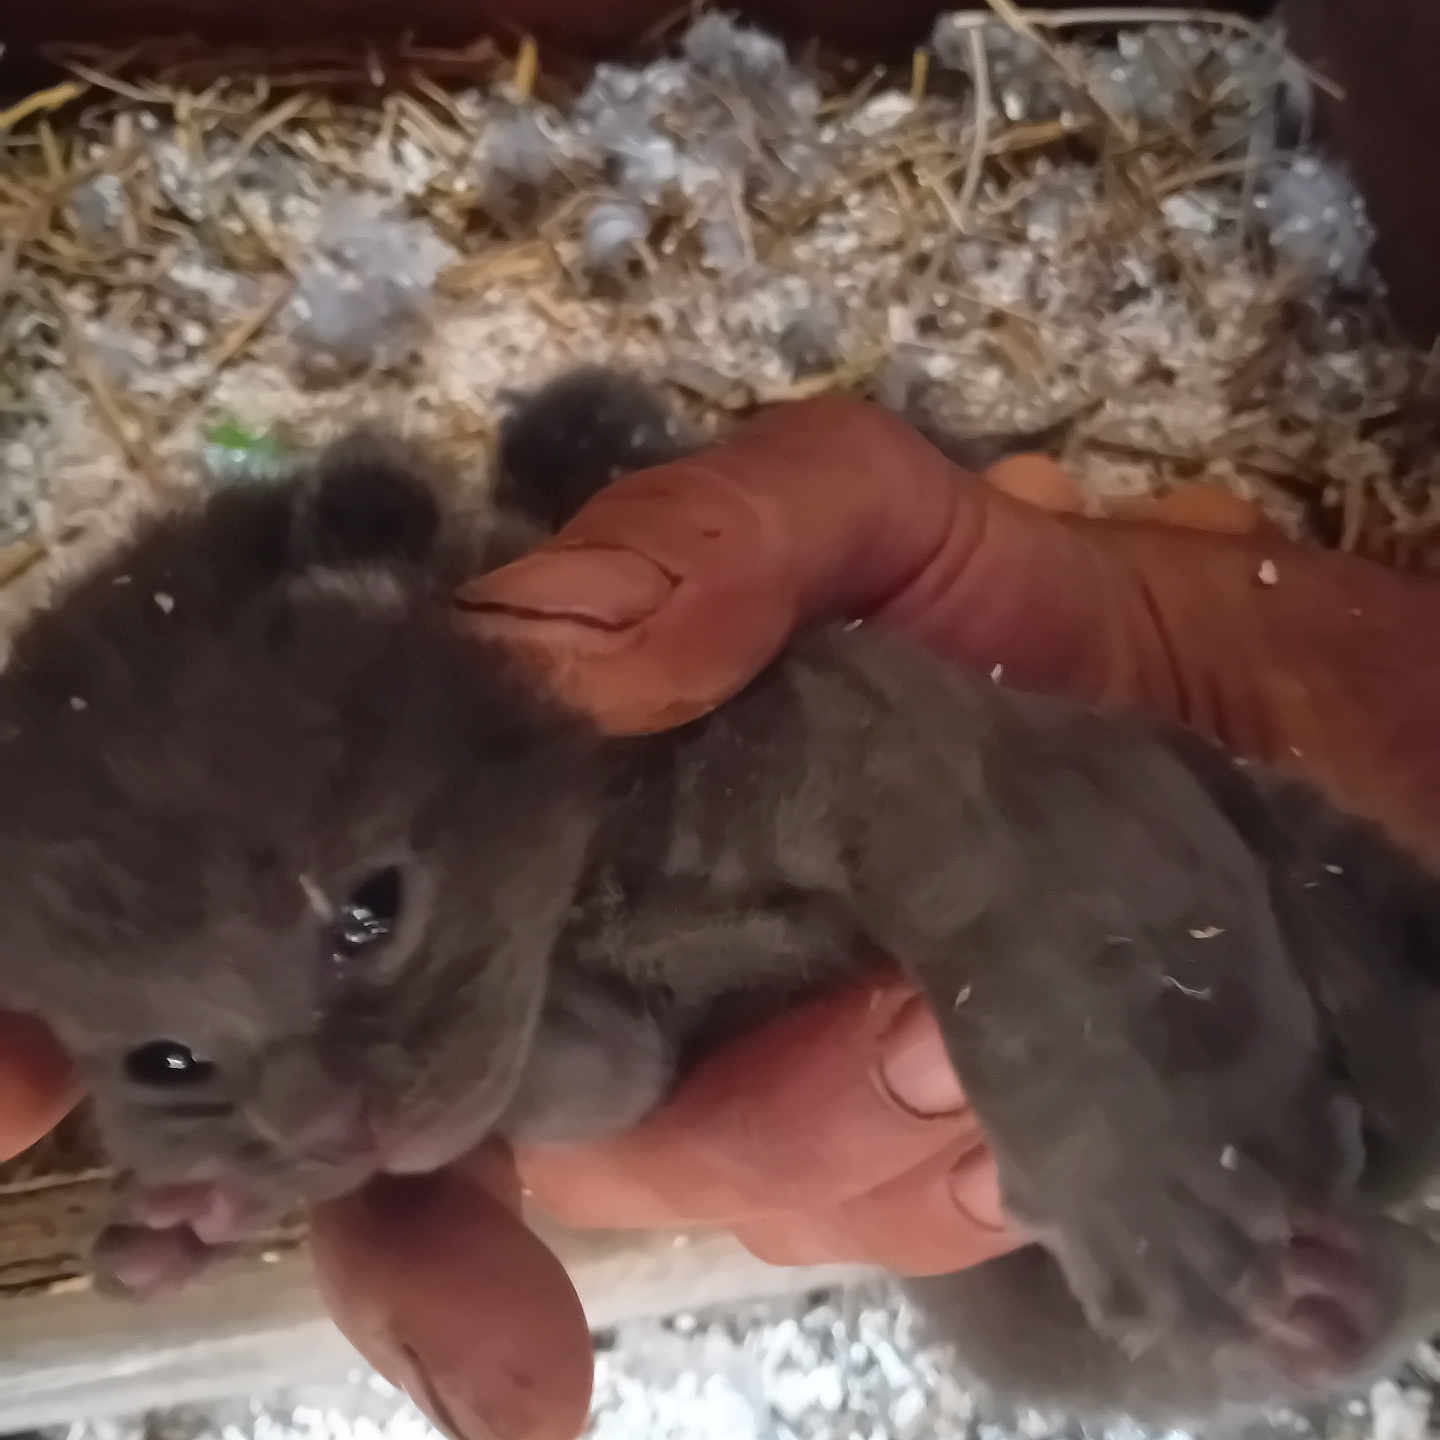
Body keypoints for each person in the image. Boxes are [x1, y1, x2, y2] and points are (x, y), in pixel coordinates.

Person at [2, 397, 1437, 1440]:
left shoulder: (715, 748)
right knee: (1019, 1321)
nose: (318, 1121)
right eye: (168, 1061)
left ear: (444, 631)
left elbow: (986, 817)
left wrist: (1108, 1141)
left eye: (367, 921)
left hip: (1289, 942)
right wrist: (222, 1157)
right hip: (1115, 1111)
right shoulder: (483, 958)